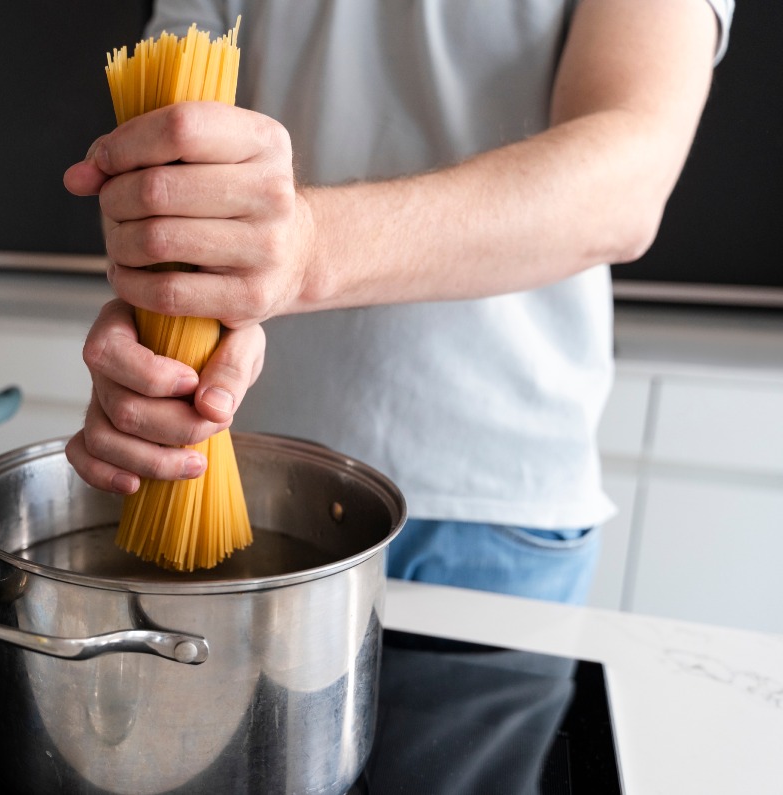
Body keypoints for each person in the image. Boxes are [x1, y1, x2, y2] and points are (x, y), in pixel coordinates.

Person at [62, 0, 734, 604]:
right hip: (252, 473)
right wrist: (160, 310)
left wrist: (309, 251)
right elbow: (166, 159)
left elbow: (626, 183)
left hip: (496, 508)